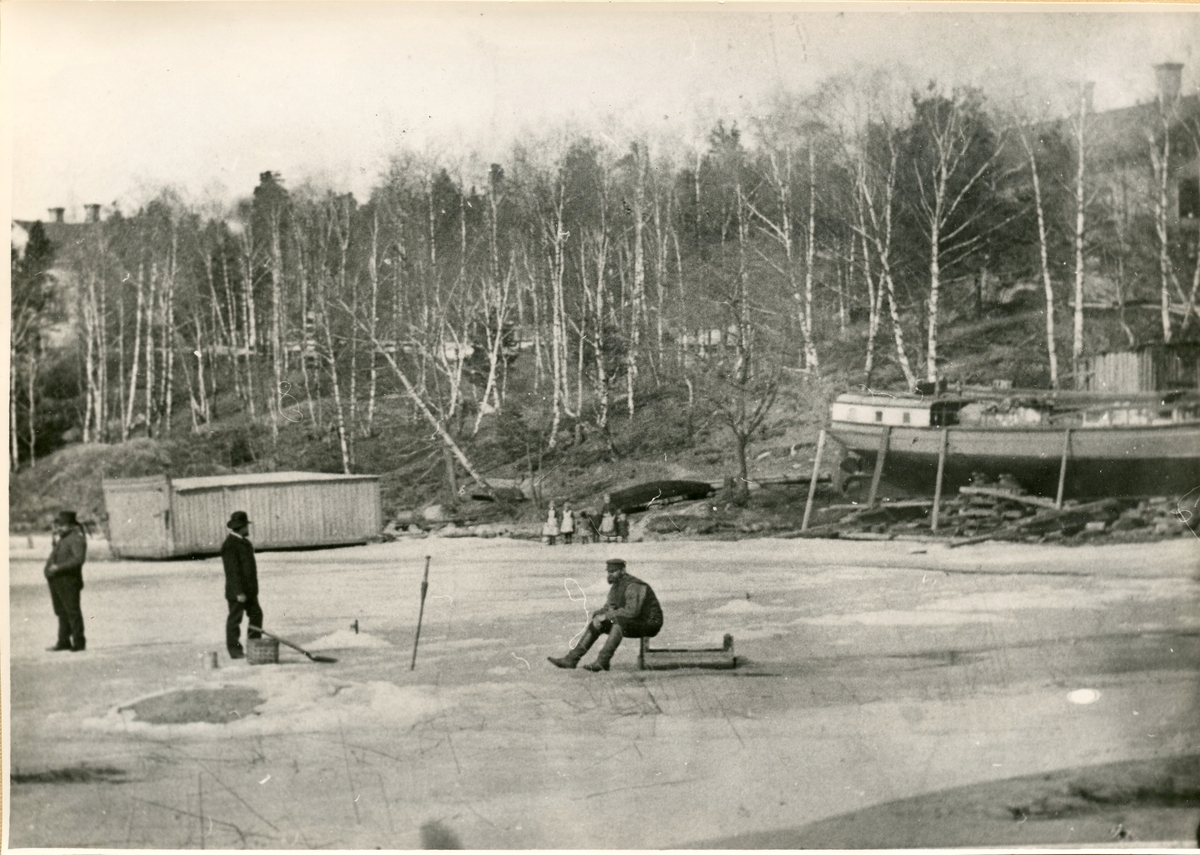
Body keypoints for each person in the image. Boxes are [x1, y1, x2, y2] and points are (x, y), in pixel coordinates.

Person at [548, 558, 663, 672]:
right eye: (609, 571)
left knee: (619, 622)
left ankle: (602, 661)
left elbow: (632, 612)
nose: (610, 574)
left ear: (623, 570)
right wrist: (597, 616)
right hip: (633, 622)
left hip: (650, 623)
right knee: (598, 622)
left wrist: (606, 616)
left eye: (613, 571)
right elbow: (608, 607)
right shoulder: (616, 586)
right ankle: (571, 659)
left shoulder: (634, 585)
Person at [222, 510, 263, 660]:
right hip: (238, 592)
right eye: (246, 526)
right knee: (235, 620)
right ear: (241, 527)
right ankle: (234, 650)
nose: (247, 529)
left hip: (250, 591)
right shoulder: (230, 544)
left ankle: (254, 646)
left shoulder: (244, 543)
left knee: (256, 614)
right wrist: (238, 592)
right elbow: (232, 571)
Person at [44, 510, 87, 652]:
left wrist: (59, 567)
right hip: (57, 580)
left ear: (71, 526)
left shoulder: (76, 539)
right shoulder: (63, 539)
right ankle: (63, 641)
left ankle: (78, 642)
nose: (59, 528)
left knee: (72, 611)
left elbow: (78, 559)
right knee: (61, 612)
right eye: (59, 525)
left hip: (69, 580)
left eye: (62, 525)